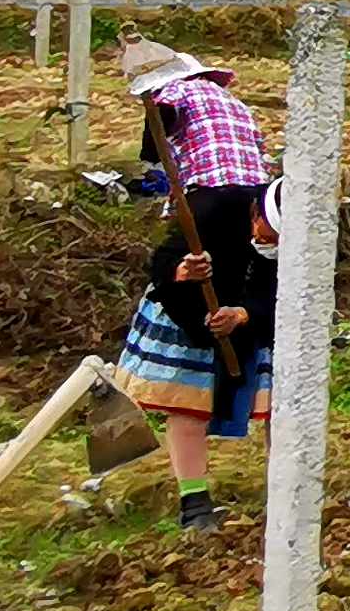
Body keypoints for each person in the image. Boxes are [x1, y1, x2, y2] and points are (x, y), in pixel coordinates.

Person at [115, 41, 276, 535]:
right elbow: (261, 152)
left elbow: (153, 151)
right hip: (252, 200)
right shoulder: (236, 105)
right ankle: (279, 490)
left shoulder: (168, 98)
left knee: (188, 388)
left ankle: (196, 505)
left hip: (207, 206)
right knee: (266, 393)